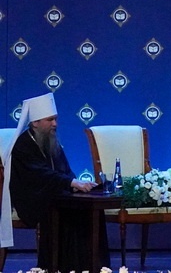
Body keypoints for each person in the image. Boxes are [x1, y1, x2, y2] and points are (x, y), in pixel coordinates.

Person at [8, 92, 104, 272]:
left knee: (87, 207)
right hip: (31, 198)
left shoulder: (51, 141)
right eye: (50, 120)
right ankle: (60, 266)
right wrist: (70, 183)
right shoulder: (23, 145)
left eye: (56, 119)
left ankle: (90, 266)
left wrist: (76, 185)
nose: (55, 124)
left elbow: (65, 170)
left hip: (53, 193)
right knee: (63, 209)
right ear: (35, 122)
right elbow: (39, 175)